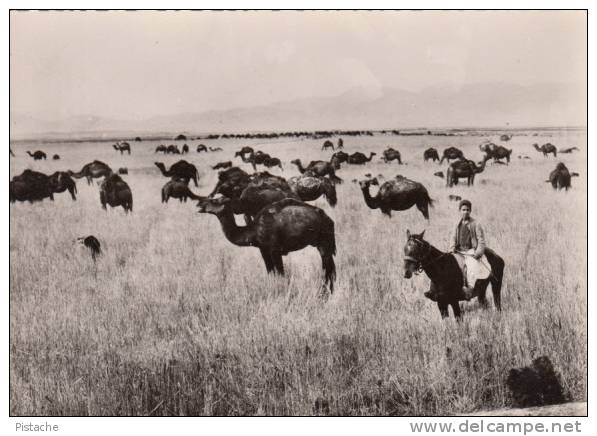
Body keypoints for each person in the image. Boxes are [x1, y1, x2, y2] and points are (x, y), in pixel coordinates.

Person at [424, 199, 490, 302]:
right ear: (460, 210)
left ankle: (469, 290)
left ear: (470, 211)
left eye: (468, 210)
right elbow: (453, 238)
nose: (465, 212)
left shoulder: (475, 224)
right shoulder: (457, 224)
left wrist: (478, 253)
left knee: (470, 267)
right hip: (458, 251)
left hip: (470, 251)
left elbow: (481, 241)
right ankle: (433, 290)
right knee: (443, 265)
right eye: (463, 209)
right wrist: (451, 249)